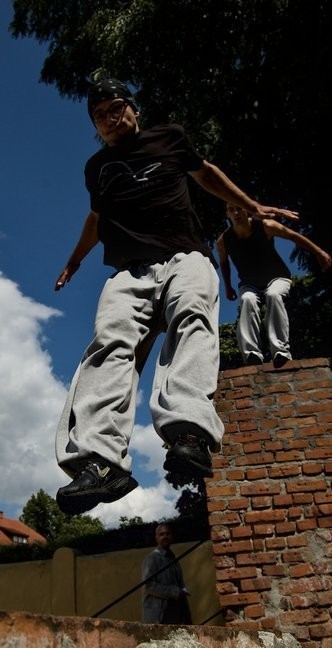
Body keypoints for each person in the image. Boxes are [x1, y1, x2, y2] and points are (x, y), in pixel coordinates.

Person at [54, 77, 299, 516]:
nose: (110, 120)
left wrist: (253, 205)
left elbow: (207, 175)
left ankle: (189, 433)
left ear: (133, 110)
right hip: (129, 272)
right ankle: (99, 461)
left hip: (185, 256)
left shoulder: (169, 138)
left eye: (116, 109)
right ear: (95, 126)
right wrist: (75, 260)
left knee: (192, 317)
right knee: (109, 344)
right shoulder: (97, 168)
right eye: (100, 116)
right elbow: (96, 216)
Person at [216, 204, 332, 367]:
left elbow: (293, 236)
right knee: (247, 299)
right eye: (231, 210)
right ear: (227, 214)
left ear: (246, 210)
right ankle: (251, 354)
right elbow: (224, 263)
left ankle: (280, 351)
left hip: (277, 278)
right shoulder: (223, 241)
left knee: (273, 295)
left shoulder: (265, 226)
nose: (236, 213)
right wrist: (228, 287)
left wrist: (319, 252)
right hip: (249, 284)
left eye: (239, 208)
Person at [141, 522, 192, 624]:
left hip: (177, 615)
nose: (165, 536)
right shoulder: (152, 558)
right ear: (156, 538)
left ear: (172, 536)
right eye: (161, 534)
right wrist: (175, 591)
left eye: (167, 534)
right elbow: (149, 585)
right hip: (159, 616)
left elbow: (180, 586)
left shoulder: (174, 560)